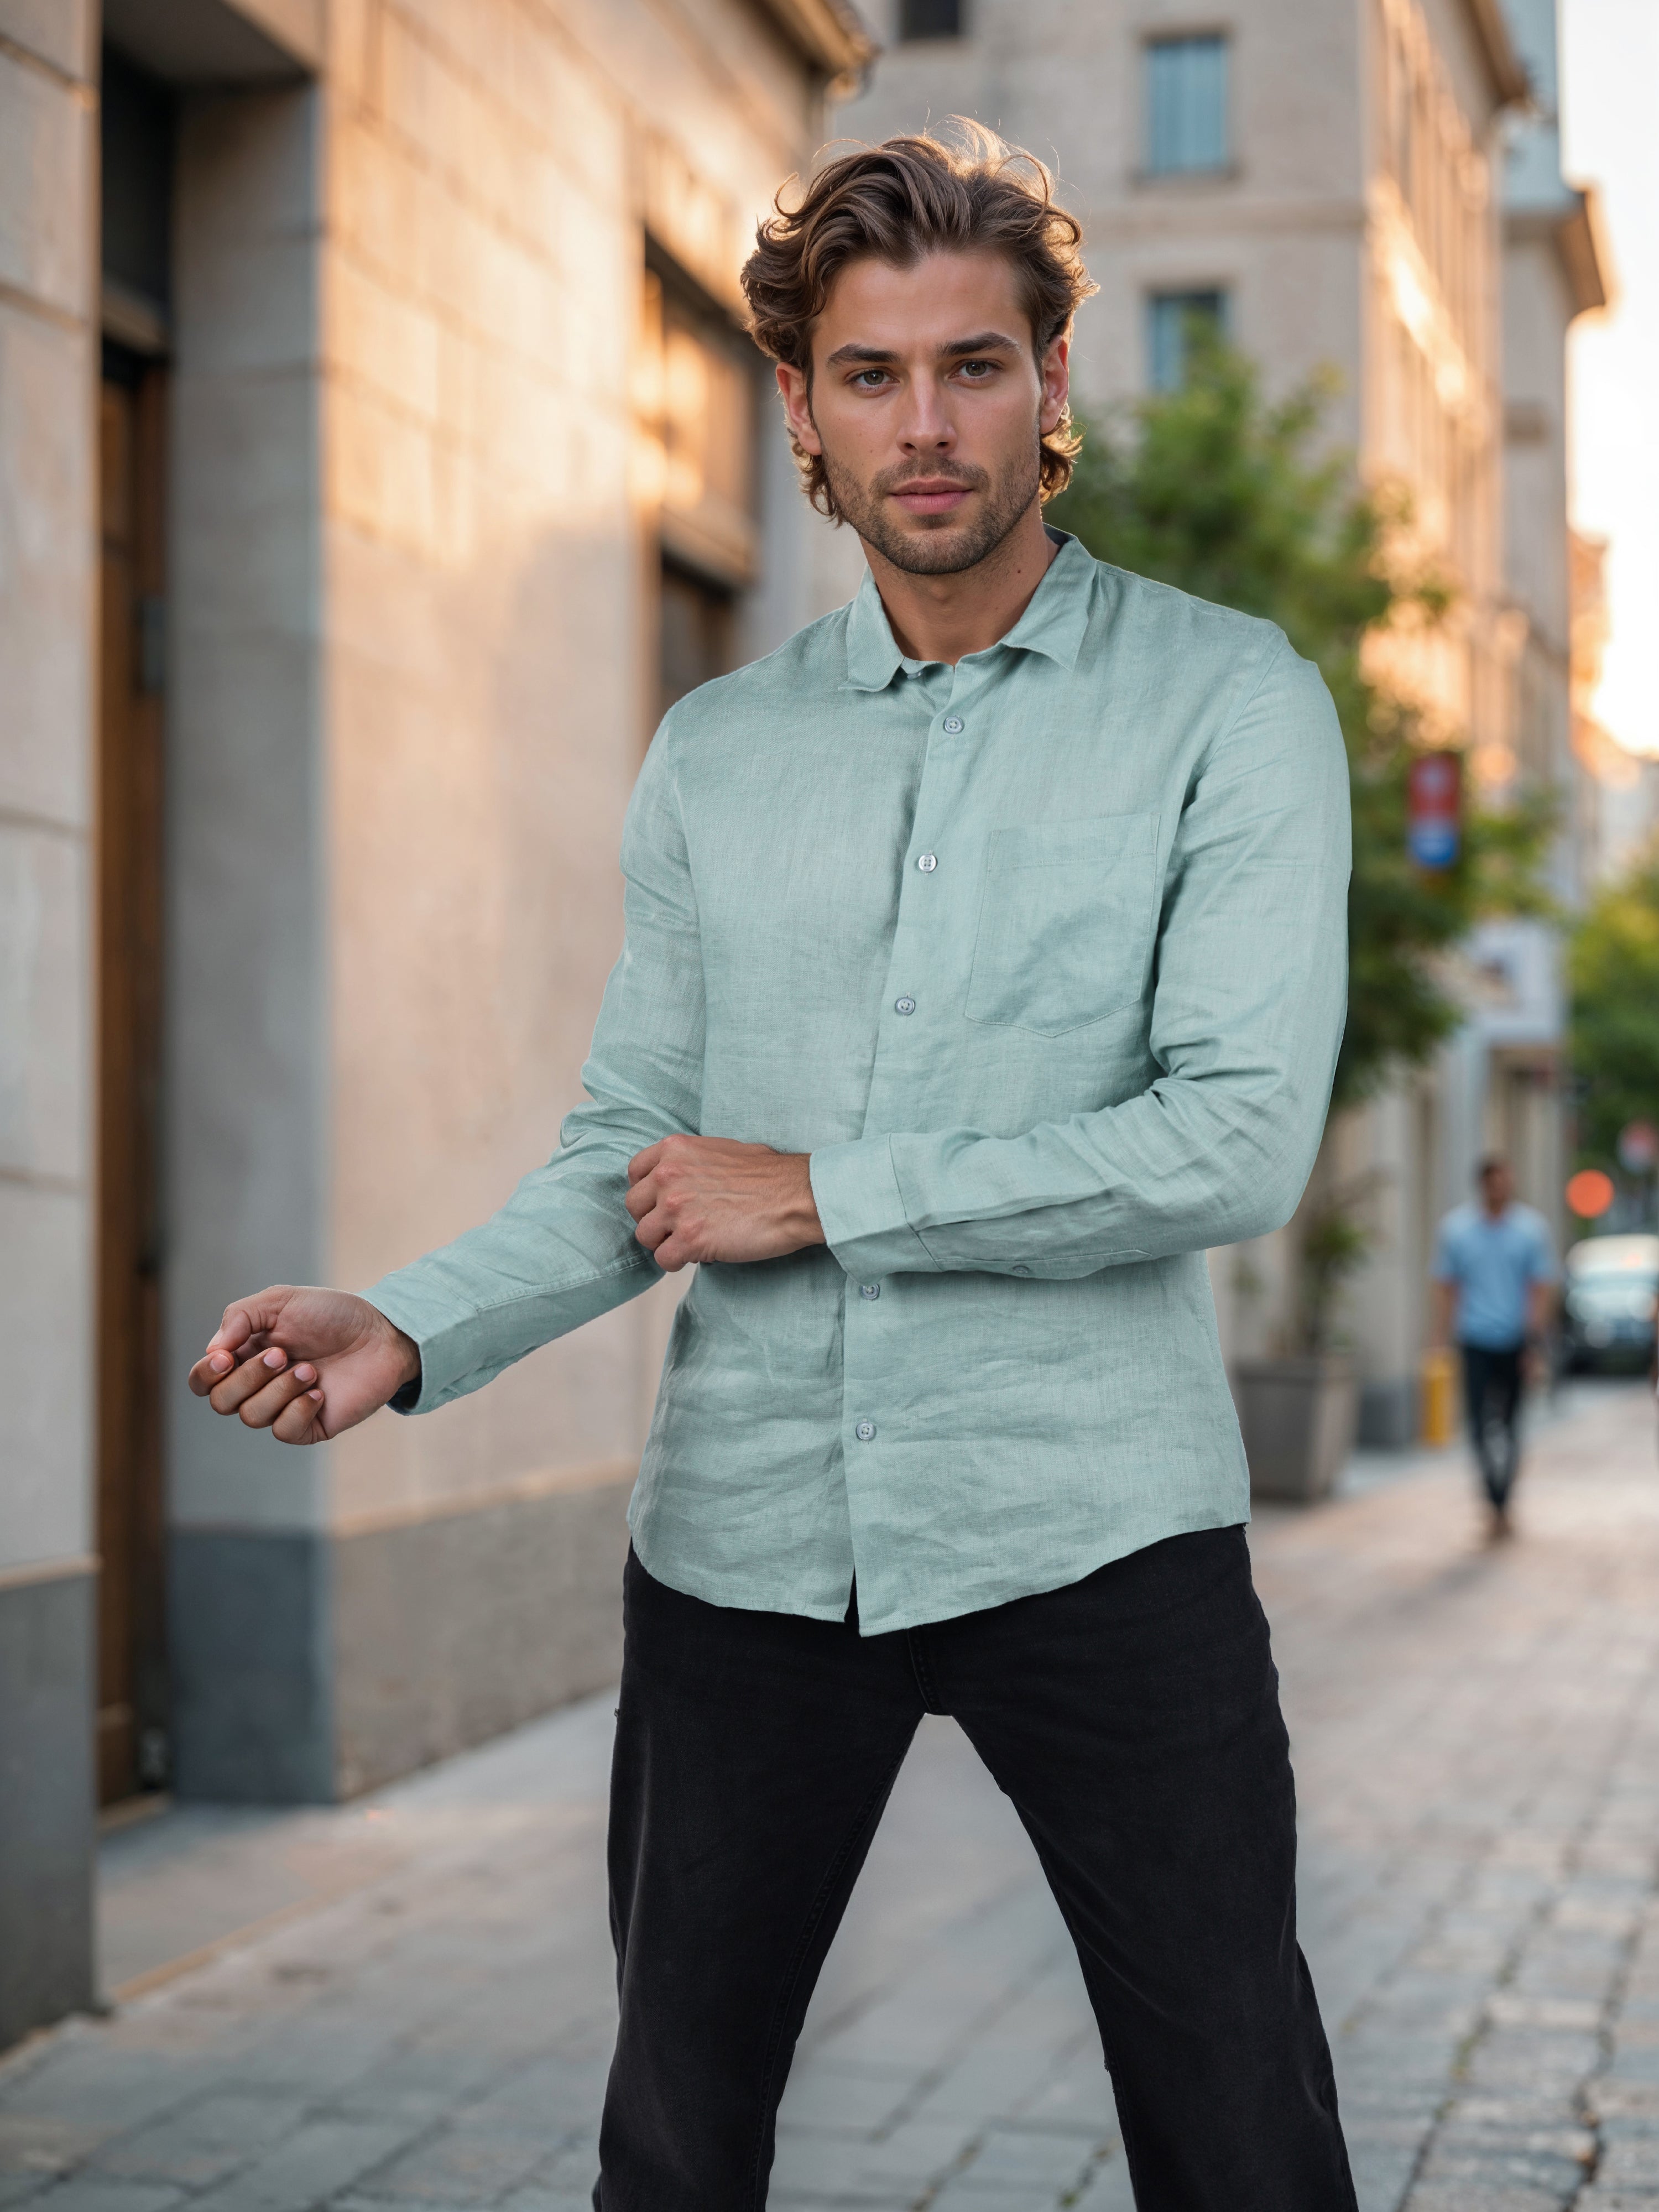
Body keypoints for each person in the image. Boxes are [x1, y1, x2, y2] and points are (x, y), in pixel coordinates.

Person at [187, 133, 1357, 2210]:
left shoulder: (1225, 706)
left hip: (1097, 1529)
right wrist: (408, 1319)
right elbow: (632, 1159)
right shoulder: (716, 751)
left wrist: (820, 1189)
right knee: (678, 2138)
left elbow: (1228, 1134)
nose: (925, 423)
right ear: (800, 408)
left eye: (973, 364)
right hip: (738, 1546)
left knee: (1239, 2130)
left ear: (1054, 379)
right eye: (870, 373)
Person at [1430, 1155, 1558, 1536]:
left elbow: (1539, 1288)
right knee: (1477, 1426)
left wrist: (1534, 1341)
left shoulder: (1531, 1229)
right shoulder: (1457, 1230)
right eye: (1495, 1182)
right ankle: (1493, 1498)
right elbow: (1446, 1286)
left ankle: (1505, 1499)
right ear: (1483, 1185)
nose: (1501, 1189)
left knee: (1513, 1424)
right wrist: (1441, 1335)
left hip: (1516, 1340)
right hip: (1474, 1338)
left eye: (1506, 1181)